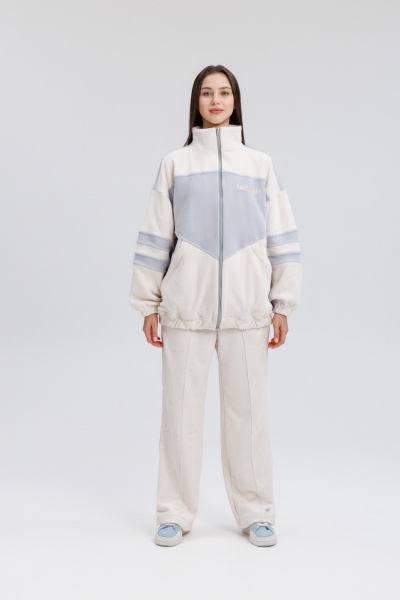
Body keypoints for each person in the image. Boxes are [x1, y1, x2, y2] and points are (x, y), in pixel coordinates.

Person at [129, 65, 302, 547]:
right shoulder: (176, 164)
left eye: (224, 92)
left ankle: (257, 512)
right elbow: (155, 235)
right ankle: (173, 513)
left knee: (250, 417)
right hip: (186, 309)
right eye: (207, 93)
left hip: (248, 311)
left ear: (235, 100)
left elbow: (282, 238)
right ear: (197, 102)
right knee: (179, 416)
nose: (216, 100)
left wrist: (283, 304)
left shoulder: (260, 165)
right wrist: (148, 303)